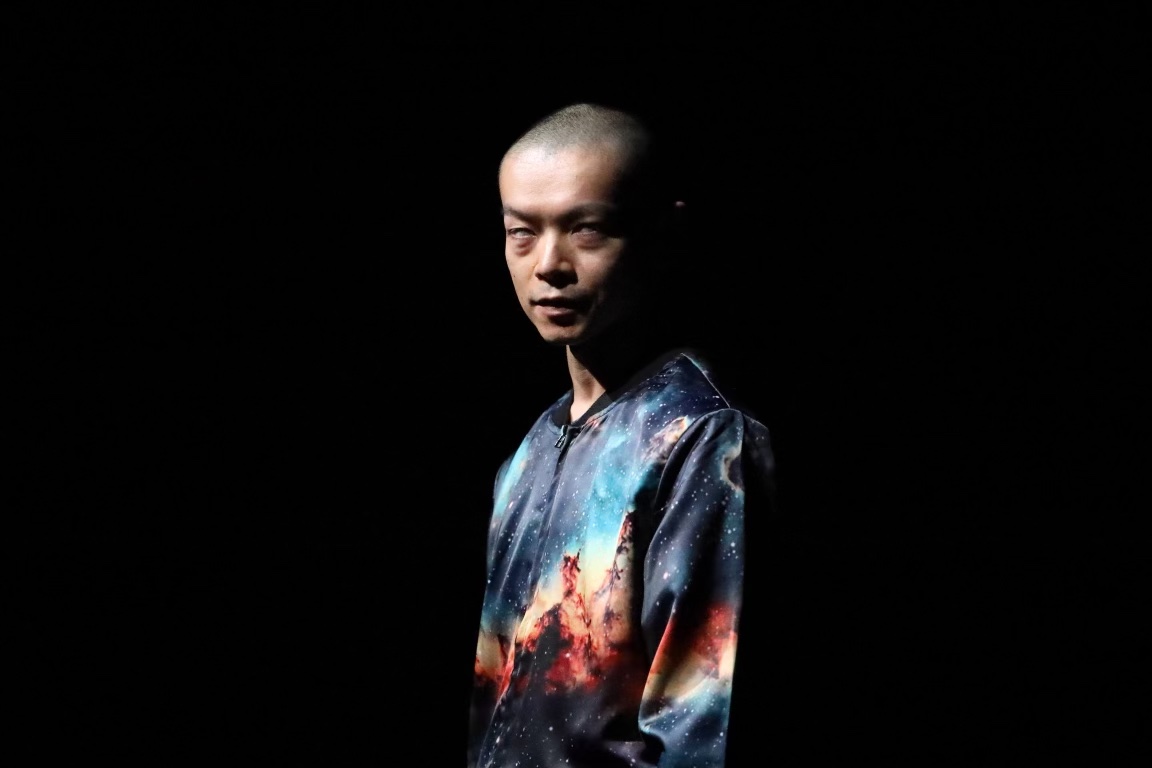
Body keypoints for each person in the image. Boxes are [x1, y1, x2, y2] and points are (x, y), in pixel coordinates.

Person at [467, 101, 776, 768]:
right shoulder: (530, 450)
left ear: (664, 236)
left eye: (587, 229)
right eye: (522, 232)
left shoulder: (699, 438)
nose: (549, 264)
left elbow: (701, 727)